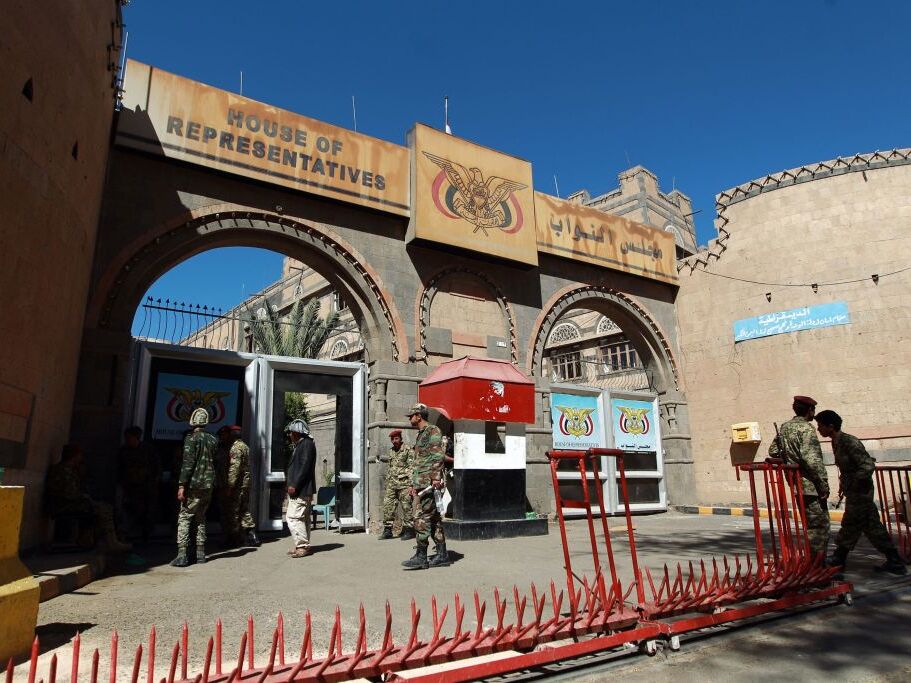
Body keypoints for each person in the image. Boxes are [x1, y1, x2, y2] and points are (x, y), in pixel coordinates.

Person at [814, 410, 907, 575]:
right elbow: (847, 468)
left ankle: (839, 558)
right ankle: (895, 560)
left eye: (820, 425)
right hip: (854, 491)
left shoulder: (849, 441)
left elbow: (867, 466)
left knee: (850, 524)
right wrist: (844, 484)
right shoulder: (836, 442)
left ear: (831, 426)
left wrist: (855, 482)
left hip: (861, 493)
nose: (818, 429)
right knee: (872, 526)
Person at [768, 395, 830, 557]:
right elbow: (812, 460)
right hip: (811, 484)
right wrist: (823, 483)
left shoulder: (785, 427)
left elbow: (773, 451)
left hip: (795, 482)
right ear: (809, 410)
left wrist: (789, 457)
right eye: (813, 410)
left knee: (810, 524)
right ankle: (818, 565)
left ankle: (814, 562)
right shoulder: (806, 429)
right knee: (819, 526)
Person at [46, 444, 131, 553]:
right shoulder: (63, 470)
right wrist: (85, 497)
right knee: (104, 509)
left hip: (65, 502)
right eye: (79, 456)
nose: (81, 458)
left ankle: (86, 540)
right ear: (74, 456)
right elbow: (69, 494)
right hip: (62, 504)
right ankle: (111, 542)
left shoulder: (69, 470)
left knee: (96, 508)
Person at [402, 403, 449, 570]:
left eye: (411, 415)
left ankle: (421, 556)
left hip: (429, 483)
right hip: (421, 483)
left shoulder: (433, 431)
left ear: (419, 416)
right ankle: (442, 555)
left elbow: (437, 456)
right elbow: (419, 462)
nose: (410, 418)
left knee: (421, 517)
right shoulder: (422, 434)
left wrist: (436, 478)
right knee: (434, 519)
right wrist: (412, 483)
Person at [171, 408, 217, 567]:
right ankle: (200, 552)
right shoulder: (213, 439)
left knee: (185, 516)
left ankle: (182, 554)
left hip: (194, 484)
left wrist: (181, 485)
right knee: (201, 517)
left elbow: (187, 464)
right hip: (208, 484)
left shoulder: (191, 439)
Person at [116, 426, 158, 542]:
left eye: (130, 437)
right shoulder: (123, 451)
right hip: (131, 487)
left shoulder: (148, 450)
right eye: (127, 438)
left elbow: (156, 467)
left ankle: (146, 535)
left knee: (148, 512)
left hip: (146, 486)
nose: (128, 440)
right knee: (130, 510)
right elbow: (119, 469)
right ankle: (125, 534)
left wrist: (153, 482)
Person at [222, 425, 260, 548]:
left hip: (237, 485)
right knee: (244, 510)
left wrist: (230, 485)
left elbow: (235, 468)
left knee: (233, 511)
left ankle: (233, 539)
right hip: (245, 484)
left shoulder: (235, 448)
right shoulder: (244, 446)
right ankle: (252, 536)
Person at [285, 419, 317, 558]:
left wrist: (294, 485)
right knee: (303, 518)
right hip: (301, 489)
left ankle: (302, 546)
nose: (289, 435)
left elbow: (304, 467)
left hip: (301, 490)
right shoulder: (301, 445)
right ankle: (302, 544)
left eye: (291, 432)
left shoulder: (306, 445)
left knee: (293, 517)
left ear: (297, 432)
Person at [377, 429, 415, 540]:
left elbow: (412, 467)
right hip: (392, 484)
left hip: (404, 484)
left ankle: (409, 530)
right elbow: (390, 467)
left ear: (401, 438)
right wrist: (388, 481)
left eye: (396, 438)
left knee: (406, 507)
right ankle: (388, 530)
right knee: (388, 506)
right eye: (392, 439)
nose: (394, 441)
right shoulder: (391, 451)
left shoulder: (408, 450)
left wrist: (411, 485)